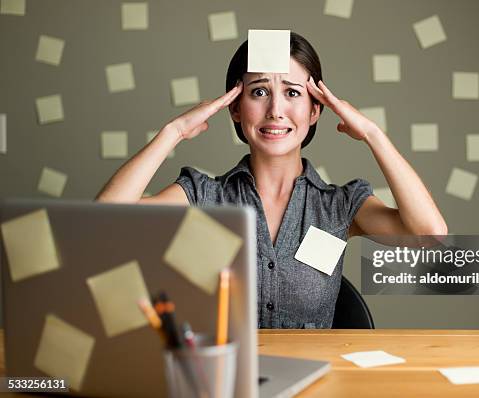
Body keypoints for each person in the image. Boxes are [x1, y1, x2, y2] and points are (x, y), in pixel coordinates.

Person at [96, 32, 447, 328]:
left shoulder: (341, 206)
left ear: (315, 111)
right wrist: (172, 133)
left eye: (292, 93)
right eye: (259, 92)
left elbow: (429, 236)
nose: (275, 109)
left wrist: (373, 134)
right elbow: (106, 221)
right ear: (235, 108)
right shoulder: (203, 196)